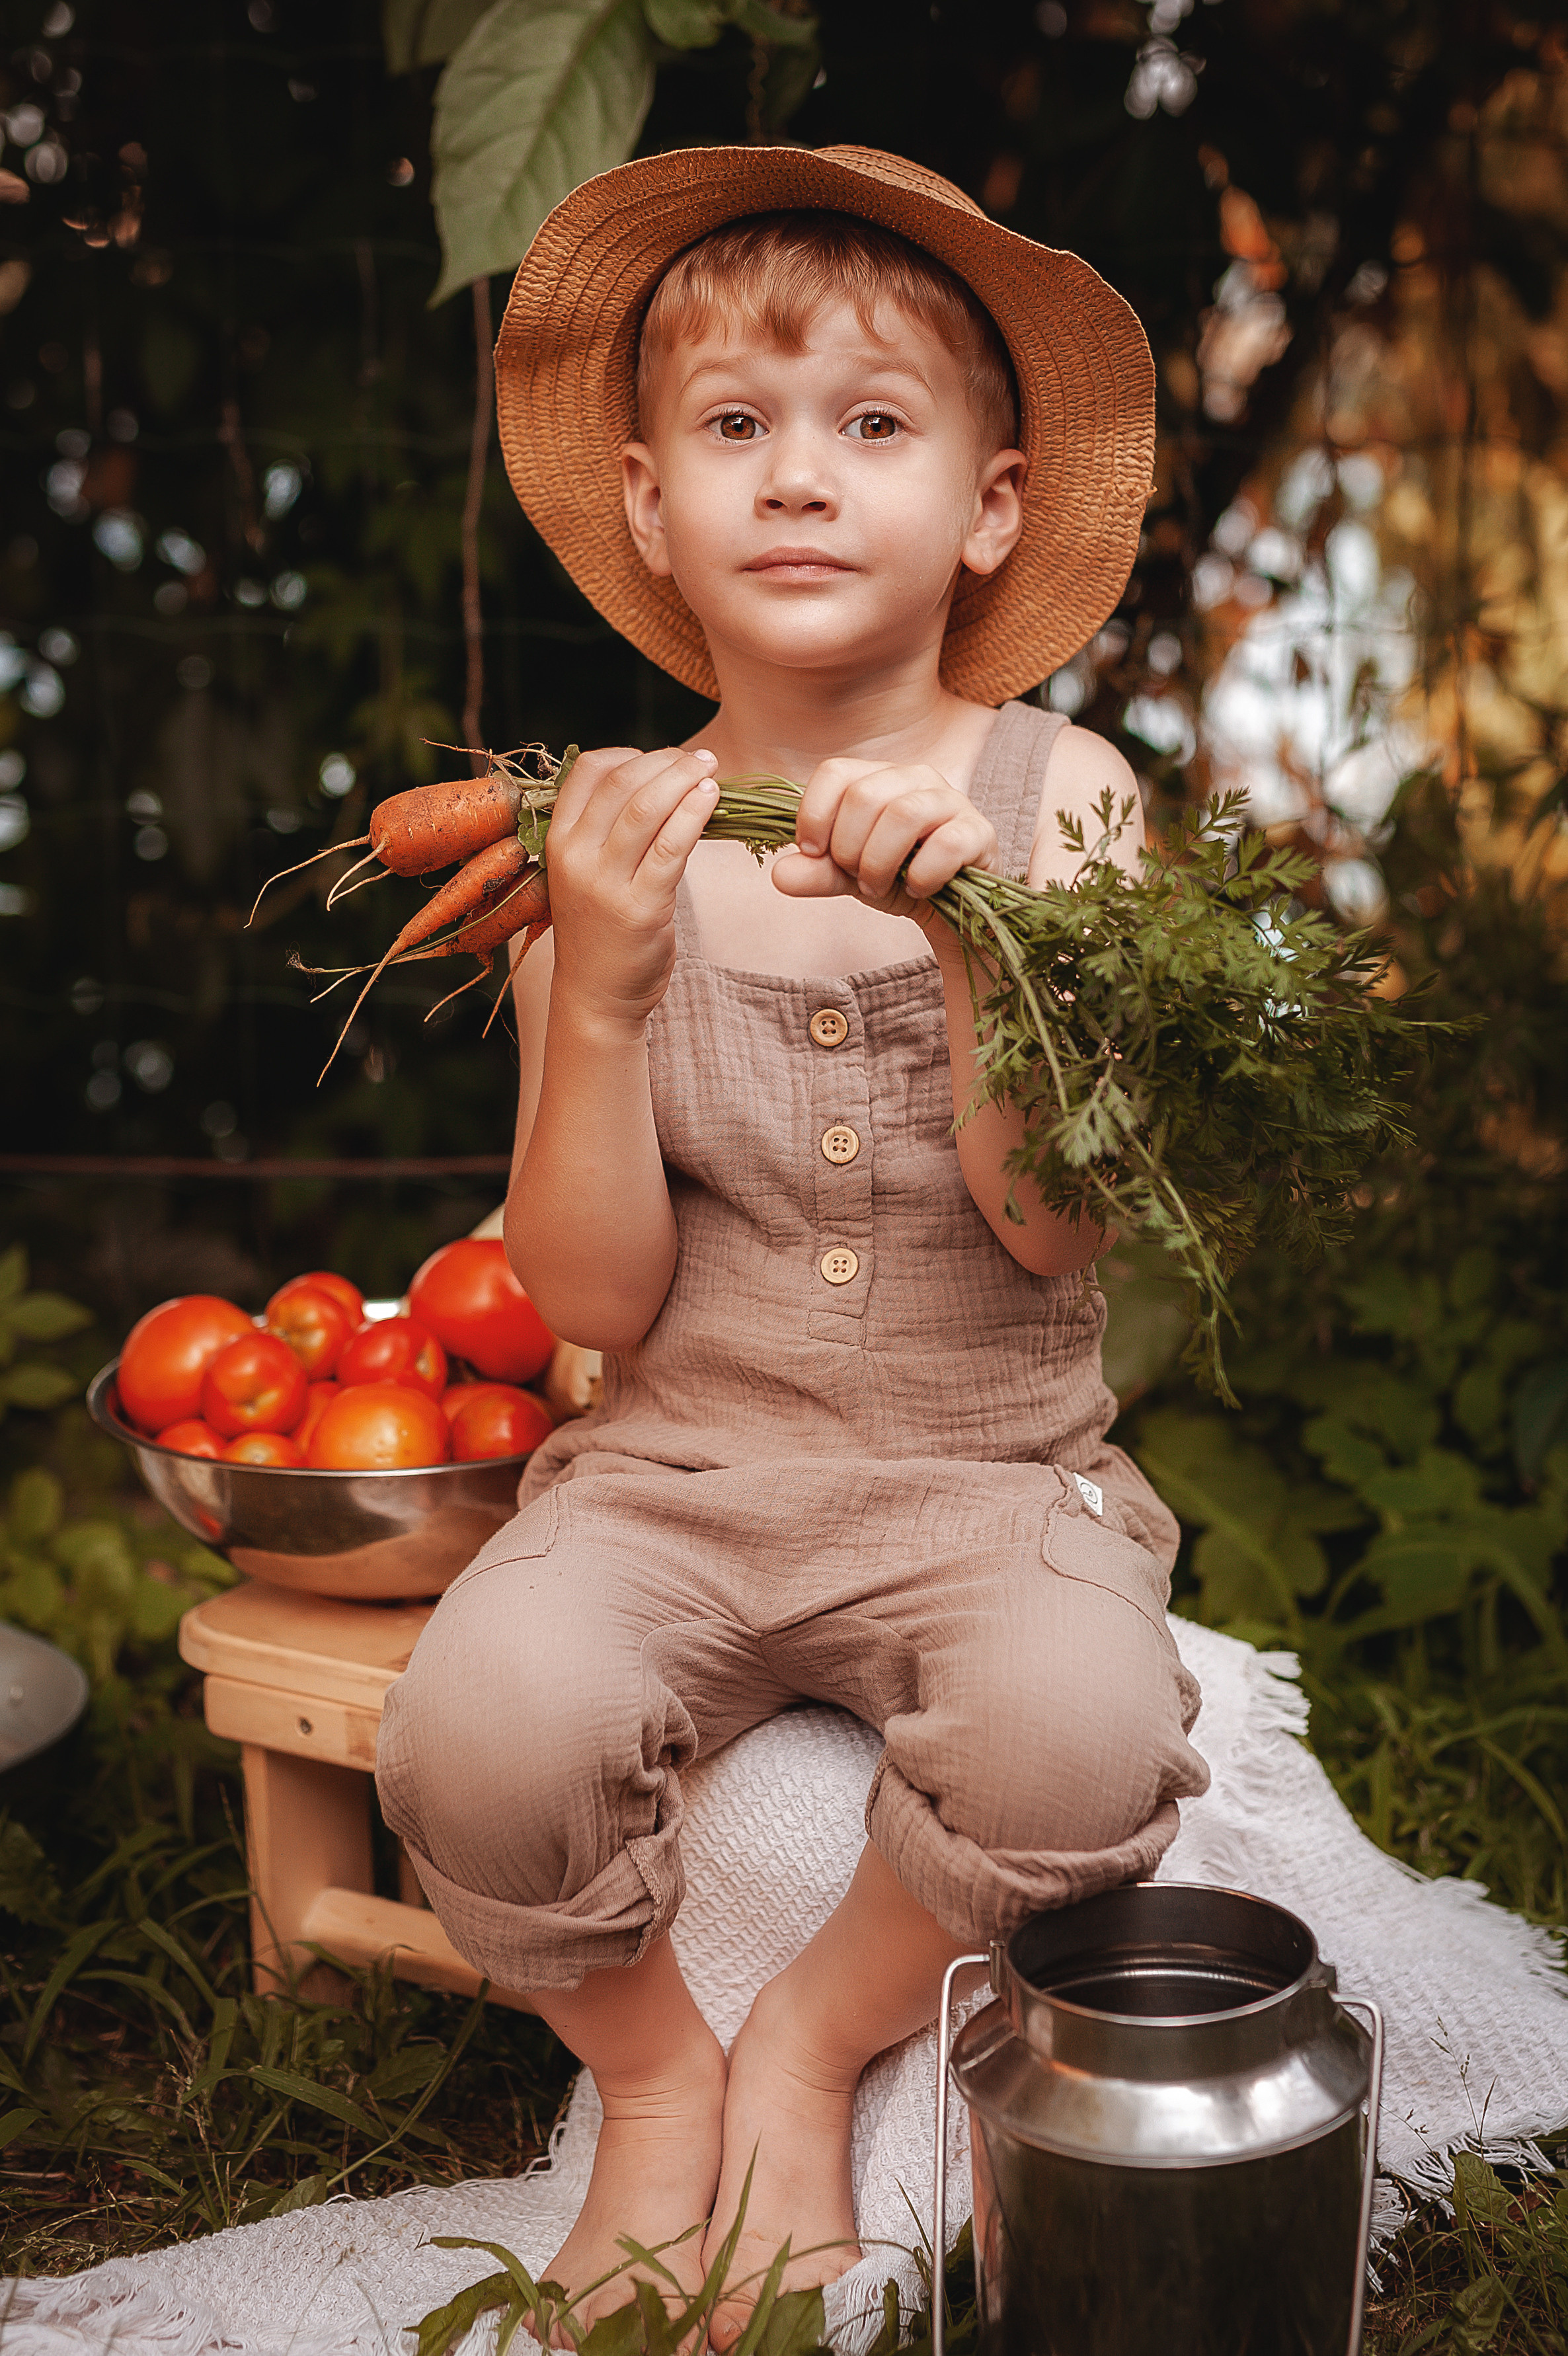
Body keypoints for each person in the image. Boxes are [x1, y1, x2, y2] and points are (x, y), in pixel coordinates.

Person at [377, 144, 1210, 2348]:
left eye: (870, 426)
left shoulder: (1068, 800)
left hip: (979, 1479)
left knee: (1075, 1731)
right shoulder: (604, 839)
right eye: (736, 431)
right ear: (651, 507)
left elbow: (1050, 1232)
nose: (800, 480)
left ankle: (812, 2044)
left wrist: (977, 959)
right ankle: (654, 2077)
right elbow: (590, 1306)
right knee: (479, 1722)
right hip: (677, 1473)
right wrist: (616, 987)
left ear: (995, 500)